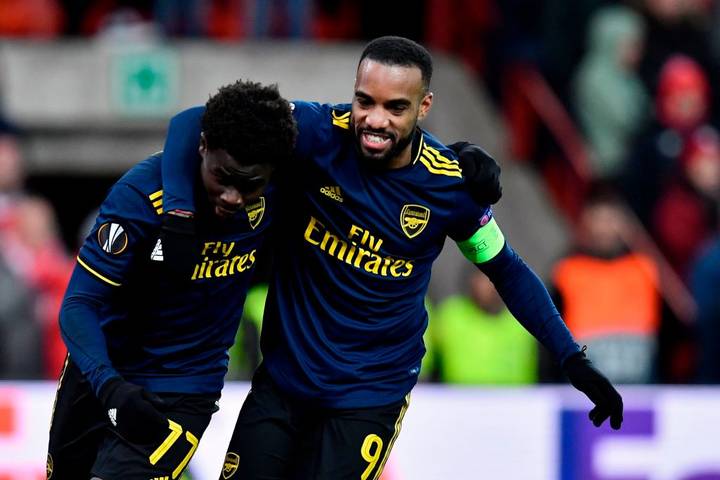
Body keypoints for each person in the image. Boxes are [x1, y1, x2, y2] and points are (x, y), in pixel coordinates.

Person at [160, 36, 623, 480]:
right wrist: (179, 215)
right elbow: (192, 122)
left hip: (368, 398)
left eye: (395, 108)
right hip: (282, 384)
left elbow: (507, 270)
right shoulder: (316, 133)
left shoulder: (449, 186)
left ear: (424, 107)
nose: (375, 120)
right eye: (365, 101)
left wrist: (571, 357)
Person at [45, 79, 297, 480]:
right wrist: (108, 385)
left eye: (249, 185)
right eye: (223, 177)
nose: (233, 196)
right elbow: (79, 303)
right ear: (202, 147)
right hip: (101, 374)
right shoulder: (140, 196)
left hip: (185, 387)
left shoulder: (280, 180)